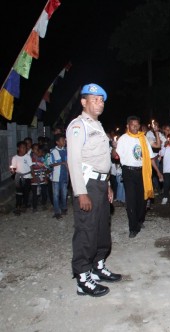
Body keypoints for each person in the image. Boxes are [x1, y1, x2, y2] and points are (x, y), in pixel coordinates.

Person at [66, 83, 122, 297]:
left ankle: (97, 266)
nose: (100, 103)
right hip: (87, 184)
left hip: (100, 184)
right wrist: (81, 192)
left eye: (101, 100)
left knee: (101, 229)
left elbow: (101, 159)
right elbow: (74, 160)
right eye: (95, 99)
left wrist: (107, 184)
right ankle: (82, 277)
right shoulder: (78, 126)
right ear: (84, 102)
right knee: (86, 230)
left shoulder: (97, 126)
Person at [113, 116, 163, 238]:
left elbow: (153, 152)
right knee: (131, 200)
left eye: (137, 125)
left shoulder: (143, 138)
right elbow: (115, 156)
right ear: (128, 126)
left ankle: (139, 220)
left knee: (142, 200)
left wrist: (158, 172)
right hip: (128, 172)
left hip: (142, 172)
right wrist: (114, 147)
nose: (135, 127)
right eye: (132, 125)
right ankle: (133, 227)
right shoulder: (123, 139)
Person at [48, 134, 69, 219]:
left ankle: (64, 208)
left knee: (64, 194)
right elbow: (50, 164)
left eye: (64, 140)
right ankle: (57, 211)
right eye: (62, 140)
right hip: (56, 177)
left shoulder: (66, 150)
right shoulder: (53, 151)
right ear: (57, 142)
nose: (64, 142)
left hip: (64, 176)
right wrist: (62, 163)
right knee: (56, 195)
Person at [10, 141, 32, 215]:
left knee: (26, 192)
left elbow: (31, 167)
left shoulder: (27, 157)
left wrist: (34, 176)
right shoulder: (15, 158)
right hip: (18, 177)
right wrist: (12, 171)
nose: (24, 149)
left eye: (25, 148)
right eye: (22, 147)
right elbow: (14, 168)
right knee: (19, 193)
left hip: (27, 177)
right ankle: (18, 206)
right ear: (18, 148)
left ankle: (24, 205)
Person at [30, 143, 49, 212]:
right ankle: (34, 207)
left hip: (42, 178)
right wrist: (34, 176)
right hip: (35, 179)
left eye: (38, 150)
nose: (37, 151)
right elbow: (30, 168)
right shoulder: (31, 159)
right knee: (34, 193)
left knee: (44, 192)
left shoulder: (43, 159)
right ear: (32, 150)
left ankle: (44, 204)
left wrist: (46, 178)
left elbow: (45, 169)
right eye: (36, 149)